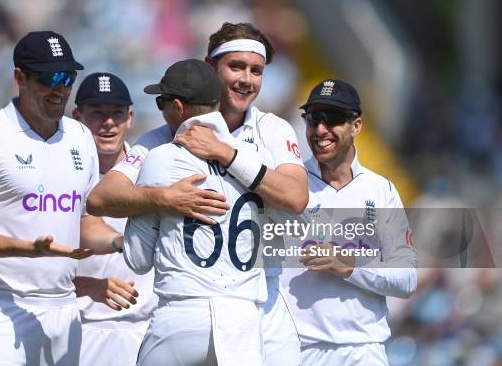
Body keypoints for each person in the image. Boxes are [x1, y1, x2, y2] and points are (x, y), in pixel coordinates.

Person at [88, 22, 308, 364]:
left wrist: (226, 153)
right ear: (210, 67)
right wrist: (162, 198)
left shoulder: (273, 130)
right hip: (202, 302)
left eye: (256, 71)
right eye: (236, 67)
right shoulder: (165, 135)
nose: (246, 80)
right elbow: (102, 197)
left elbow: (296, 198)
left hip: (263, 306)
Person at [0, 31, 122, 365]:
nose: (60, 89)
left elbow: (85, 223)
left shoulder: (81, 137)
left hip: (65, 310)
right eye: (50, 78)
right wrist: (28, 249)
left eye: (67, 78)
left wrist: (121, 242)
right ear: (20, 77)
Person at [123, 58, 269, 366]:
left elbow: (137, 259)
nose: (161, 111)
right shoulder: (255, 158)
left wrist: (151, 201)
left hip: (181, 314)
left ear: (178, 107)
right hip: (244, 321)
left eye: (162, 102)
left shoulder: (161, 158)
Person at [280, 79, 418, 365]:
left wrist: (350, 265)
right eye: (313, 119)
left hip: (363, 349)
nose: (320, 130)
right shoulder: (286, 182)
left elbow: (406, 279)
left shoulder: (382, 190)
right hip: (297, 348)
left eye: (332, 119)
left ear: (356, 126)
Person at [71, 72, 157, 366]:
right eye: (97, 113)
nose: (108, 123)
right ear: (77, 116)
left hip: (148, 330)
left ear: (130, 116)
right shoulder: (60, 178)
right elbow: (37, 270)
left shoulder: (155, 172)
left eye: (116, 114)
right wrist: (88, 286)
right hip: (80, 328)